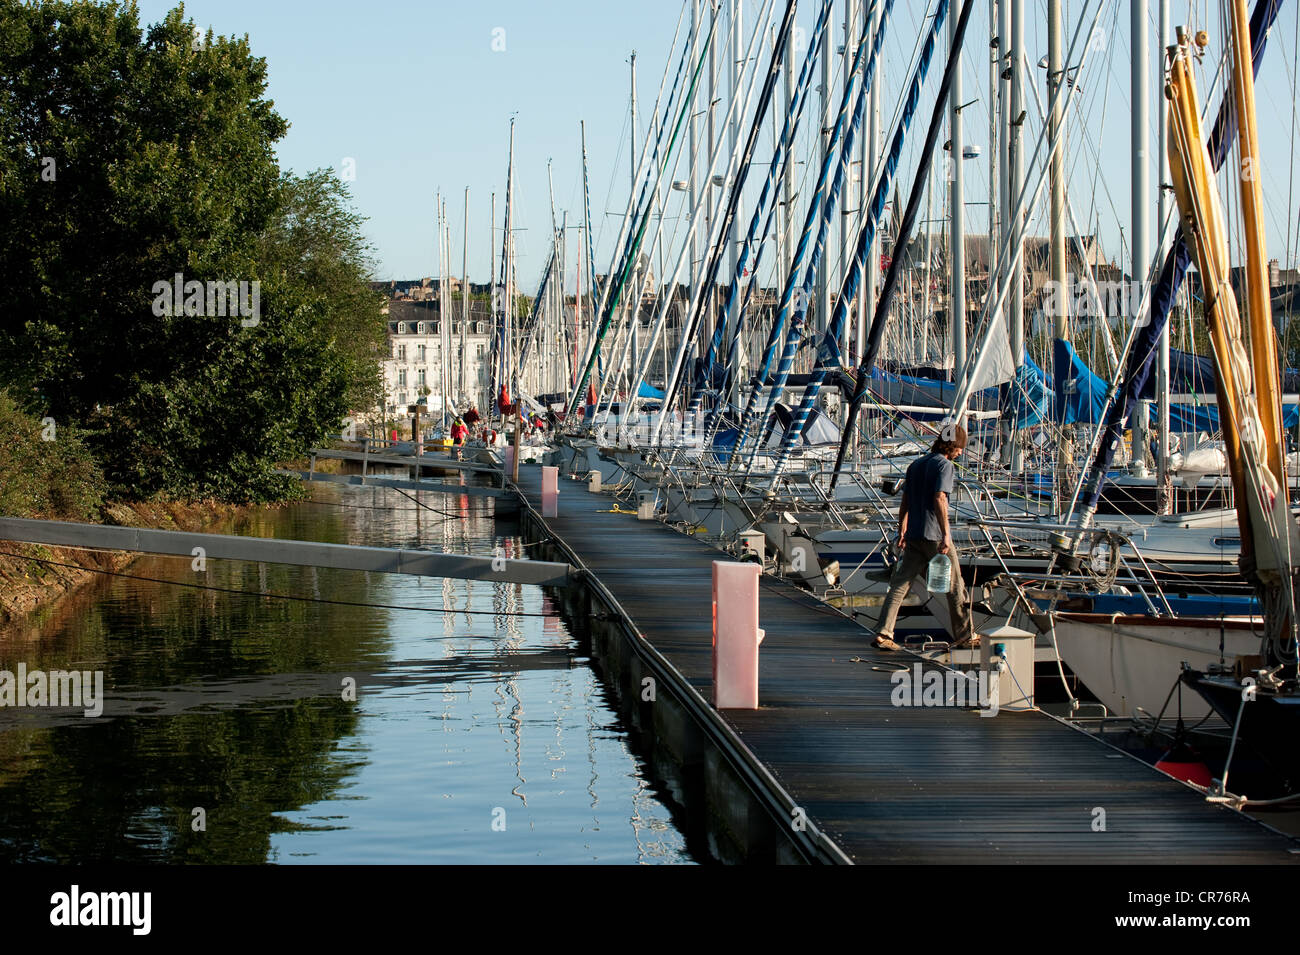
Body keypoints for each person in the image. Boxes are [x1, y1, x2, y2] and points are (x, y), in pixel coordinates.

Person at [872, 423, 975, 652]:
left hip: (914, 535)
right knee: (956, 586)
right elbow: (939, 498)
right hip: (934, 536)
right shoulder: (945, 466)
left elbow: (905, 500)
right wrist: (946, 534)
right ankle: (965, 635)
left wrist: (902, 530)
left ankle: (883, 632)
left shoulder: (916, 465)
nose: (961, 452)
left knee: (899, 585)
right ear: (953, 446)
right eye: (960, 448)